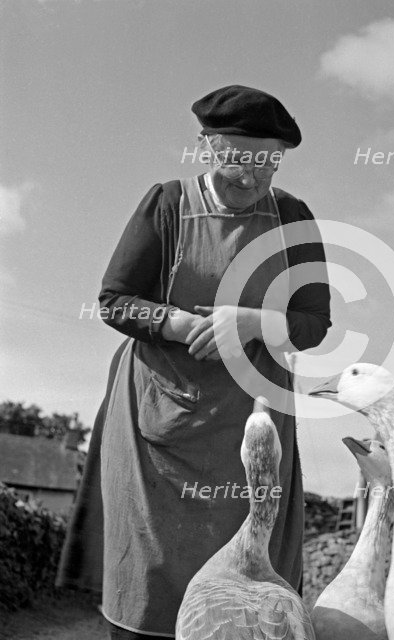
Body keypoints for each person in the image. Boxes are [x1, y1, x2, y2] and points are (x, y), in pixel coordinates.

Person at [56, 85, 331, 639]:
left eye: (266, 166)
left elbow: (313, 323)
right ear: (205, 146)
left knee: (245, 592)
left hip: (252, 426)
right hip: (158, 420)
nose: (249, 180)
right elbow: (115, 299)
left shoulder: (294, 218)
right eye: (235, 162)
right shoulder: (167, 204)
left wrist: (250, 323)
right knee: (149, 575)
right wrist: (183, 325)